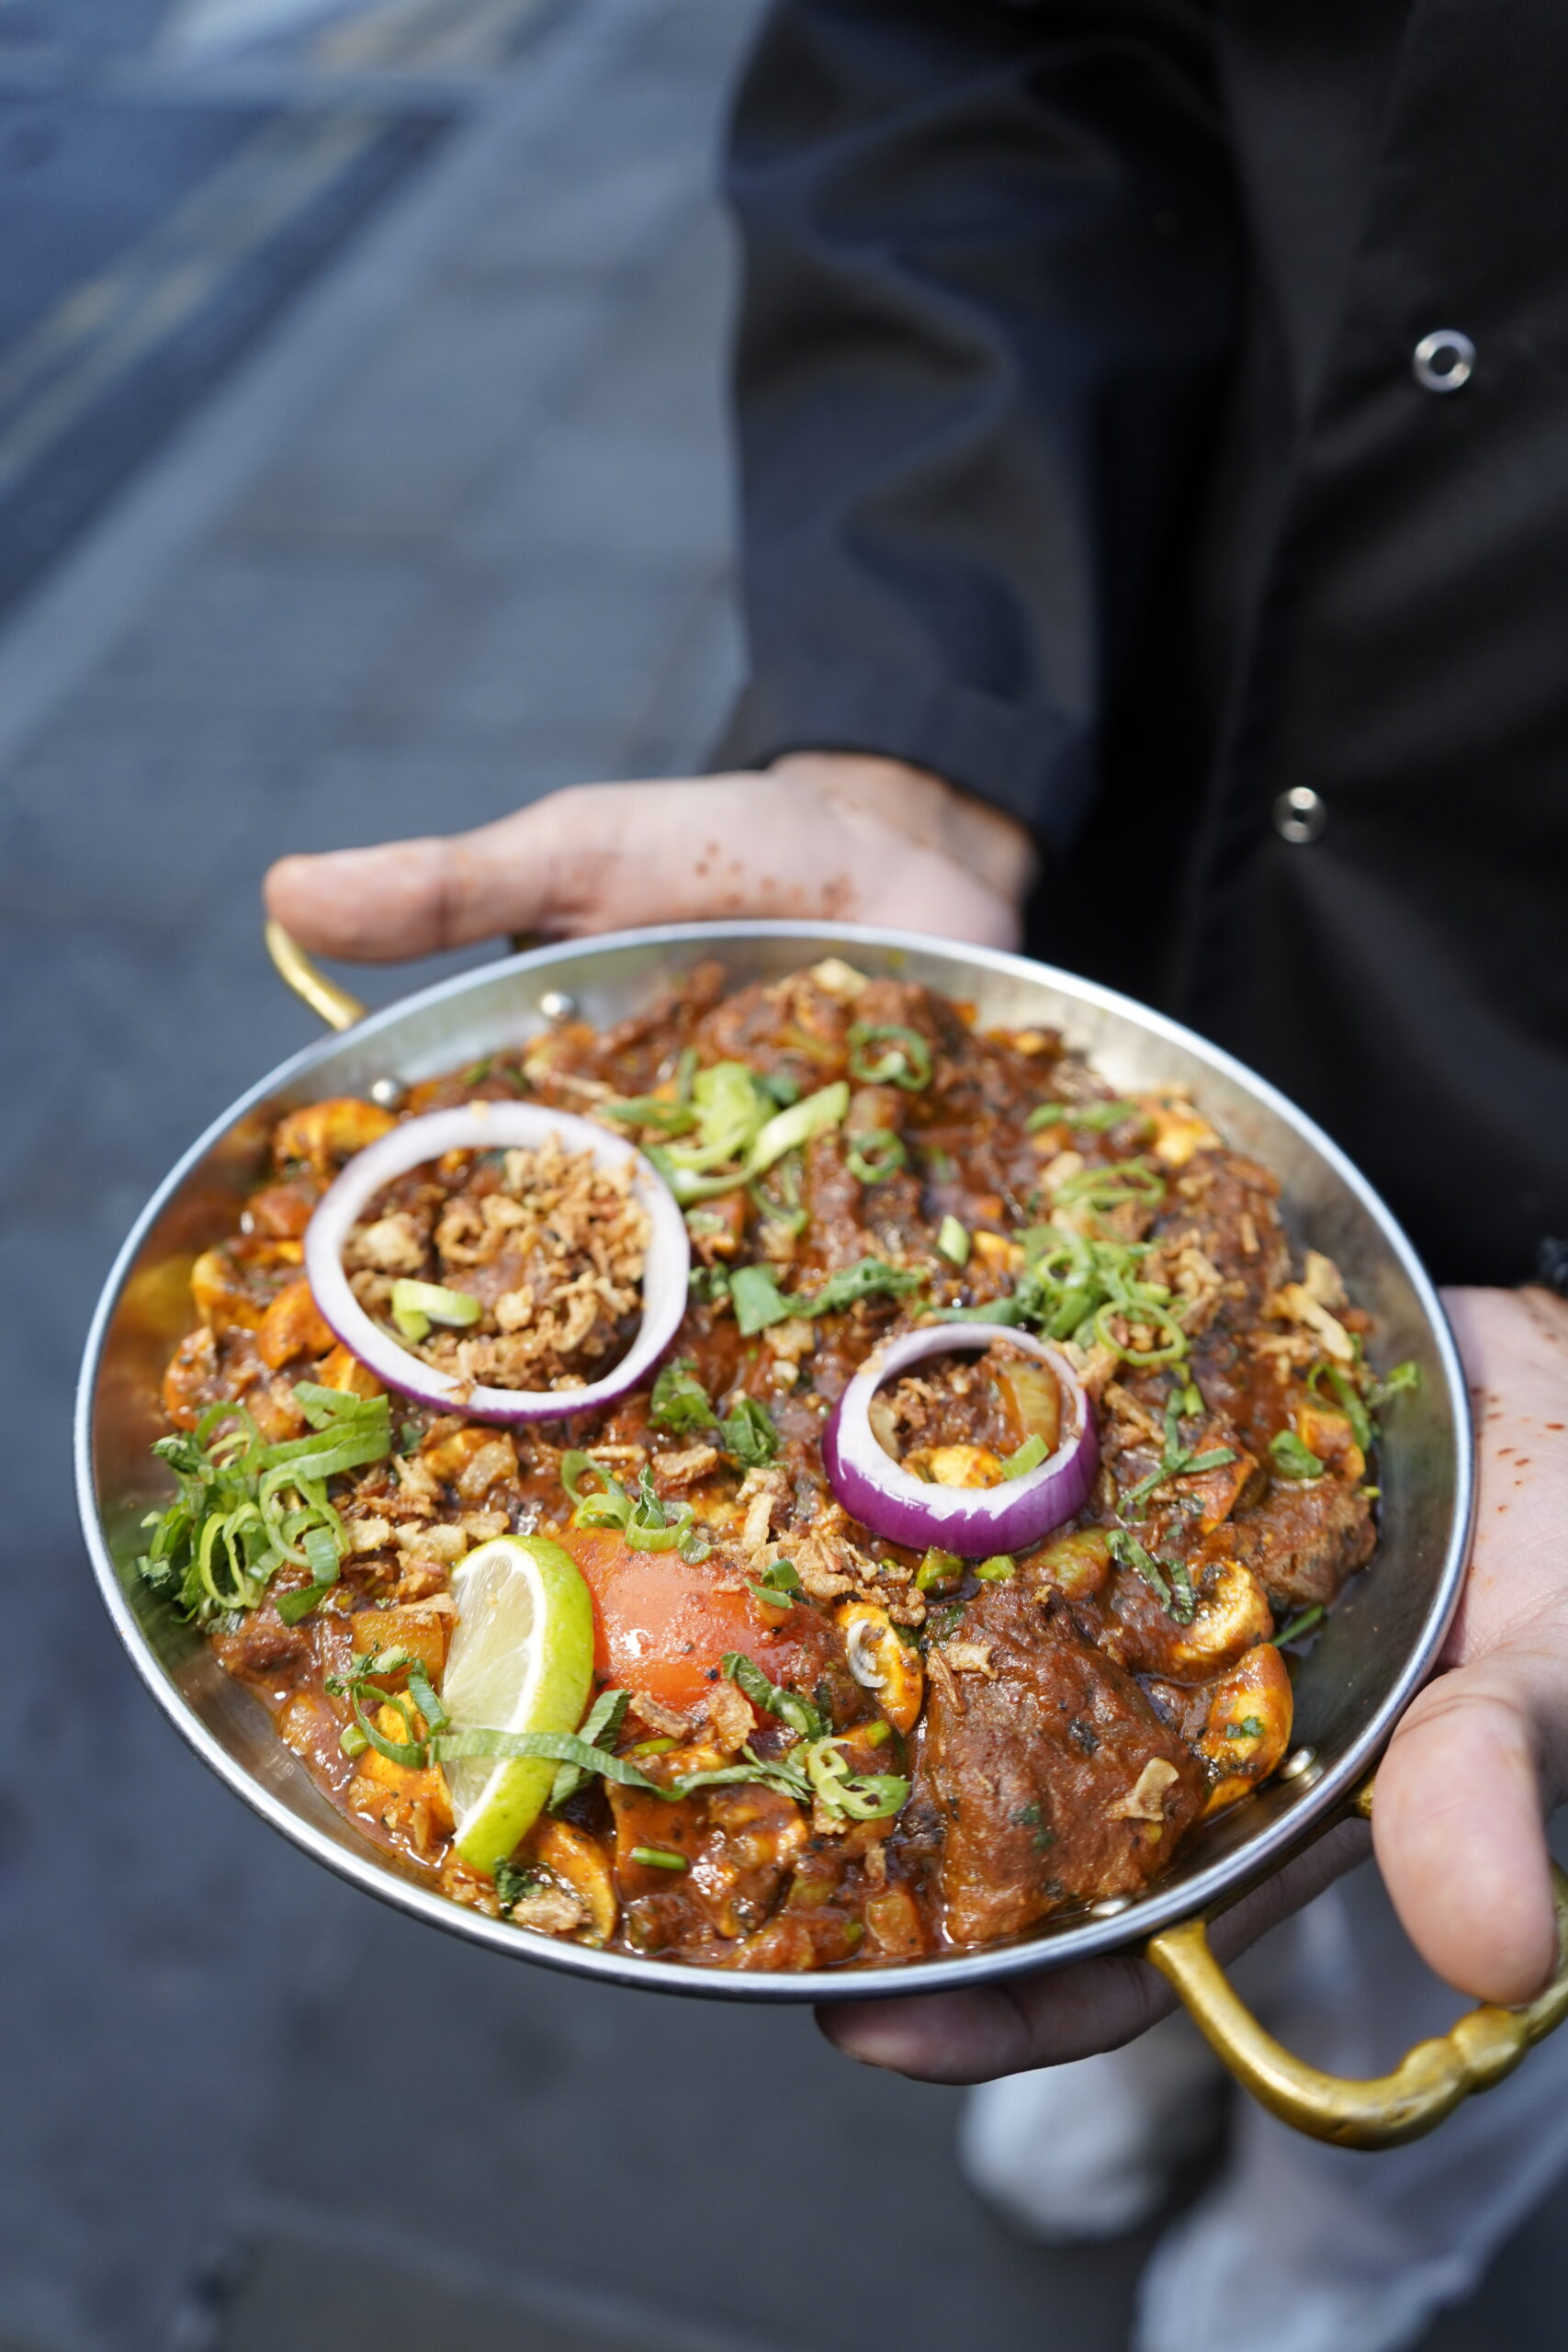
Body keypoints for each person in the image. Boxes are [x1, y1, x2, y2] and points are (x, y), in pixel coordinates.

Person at [265, 3, 1568, 2342]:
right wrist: (913, 730)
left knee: (1469, 1834)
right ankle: (1175, 2068)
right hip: (1140, 780)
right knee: (1248, 1820)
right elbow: (973, 55)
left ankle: (1356, 2235)